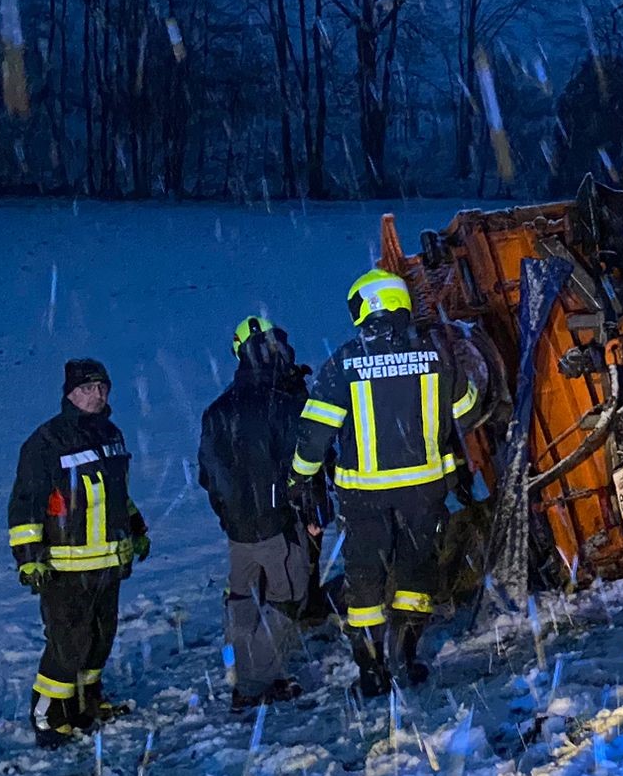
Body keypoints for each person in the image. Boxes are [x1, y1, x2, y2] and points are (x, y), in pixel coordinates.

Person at [291, 270, 477, 698]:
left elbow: (315, 432)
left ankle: (372, 671)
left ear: (363, 308)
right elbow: (465, 410)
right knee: (415, 578)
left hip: (364, 498)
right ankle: (406, 658)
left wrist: (300, 478)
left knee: (365, 583)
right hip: (425, 492)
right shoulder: (434, 356)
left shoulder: (345, 362)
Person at [7, 358, 150, 748]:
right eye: (87, 388)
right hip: (65, 567)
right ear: (69, 394)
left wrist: (136, 529)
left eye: (102, 387)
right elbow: (25, 503)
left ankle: (87, 704)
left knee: (100, 639)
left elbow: (118, 494)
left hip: (108, 563)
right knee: (66, 644)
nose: (96, 394)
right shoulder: (47, 441)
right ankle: (49, 717)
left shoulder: (112, 434)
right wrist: (29, 557)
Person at [199, 316, 329, 710]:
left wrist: (230, 516)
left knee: (241, 598)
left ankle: (244, 674)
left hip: (239, 529)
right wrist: (312, 514)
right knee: (286, 599)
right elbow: (303, 465)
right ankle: (254, 684)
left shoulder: (217, 410)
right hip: (278, 524)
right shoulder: (285, 404)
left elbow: (208, 475)